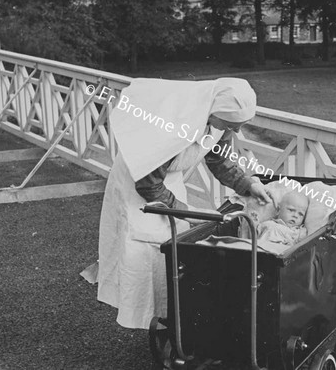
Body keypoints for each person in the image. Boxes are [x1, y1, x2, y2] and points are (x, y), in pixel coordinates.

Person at [97, 77, 275, 329]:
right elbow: (148, 185)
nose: (235, 131)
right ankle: (152, 323)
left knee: (172, 252)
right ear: (215, 111)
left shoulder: (218, 123)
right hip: (138, 182)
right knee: (144, 255)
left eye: (240, 126)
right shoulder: (172, 122)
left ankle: (172, 321)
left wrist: (248, 184)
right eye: (232, 124)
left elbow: (219, 160)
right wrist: (184, 211)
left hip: (168, 182)